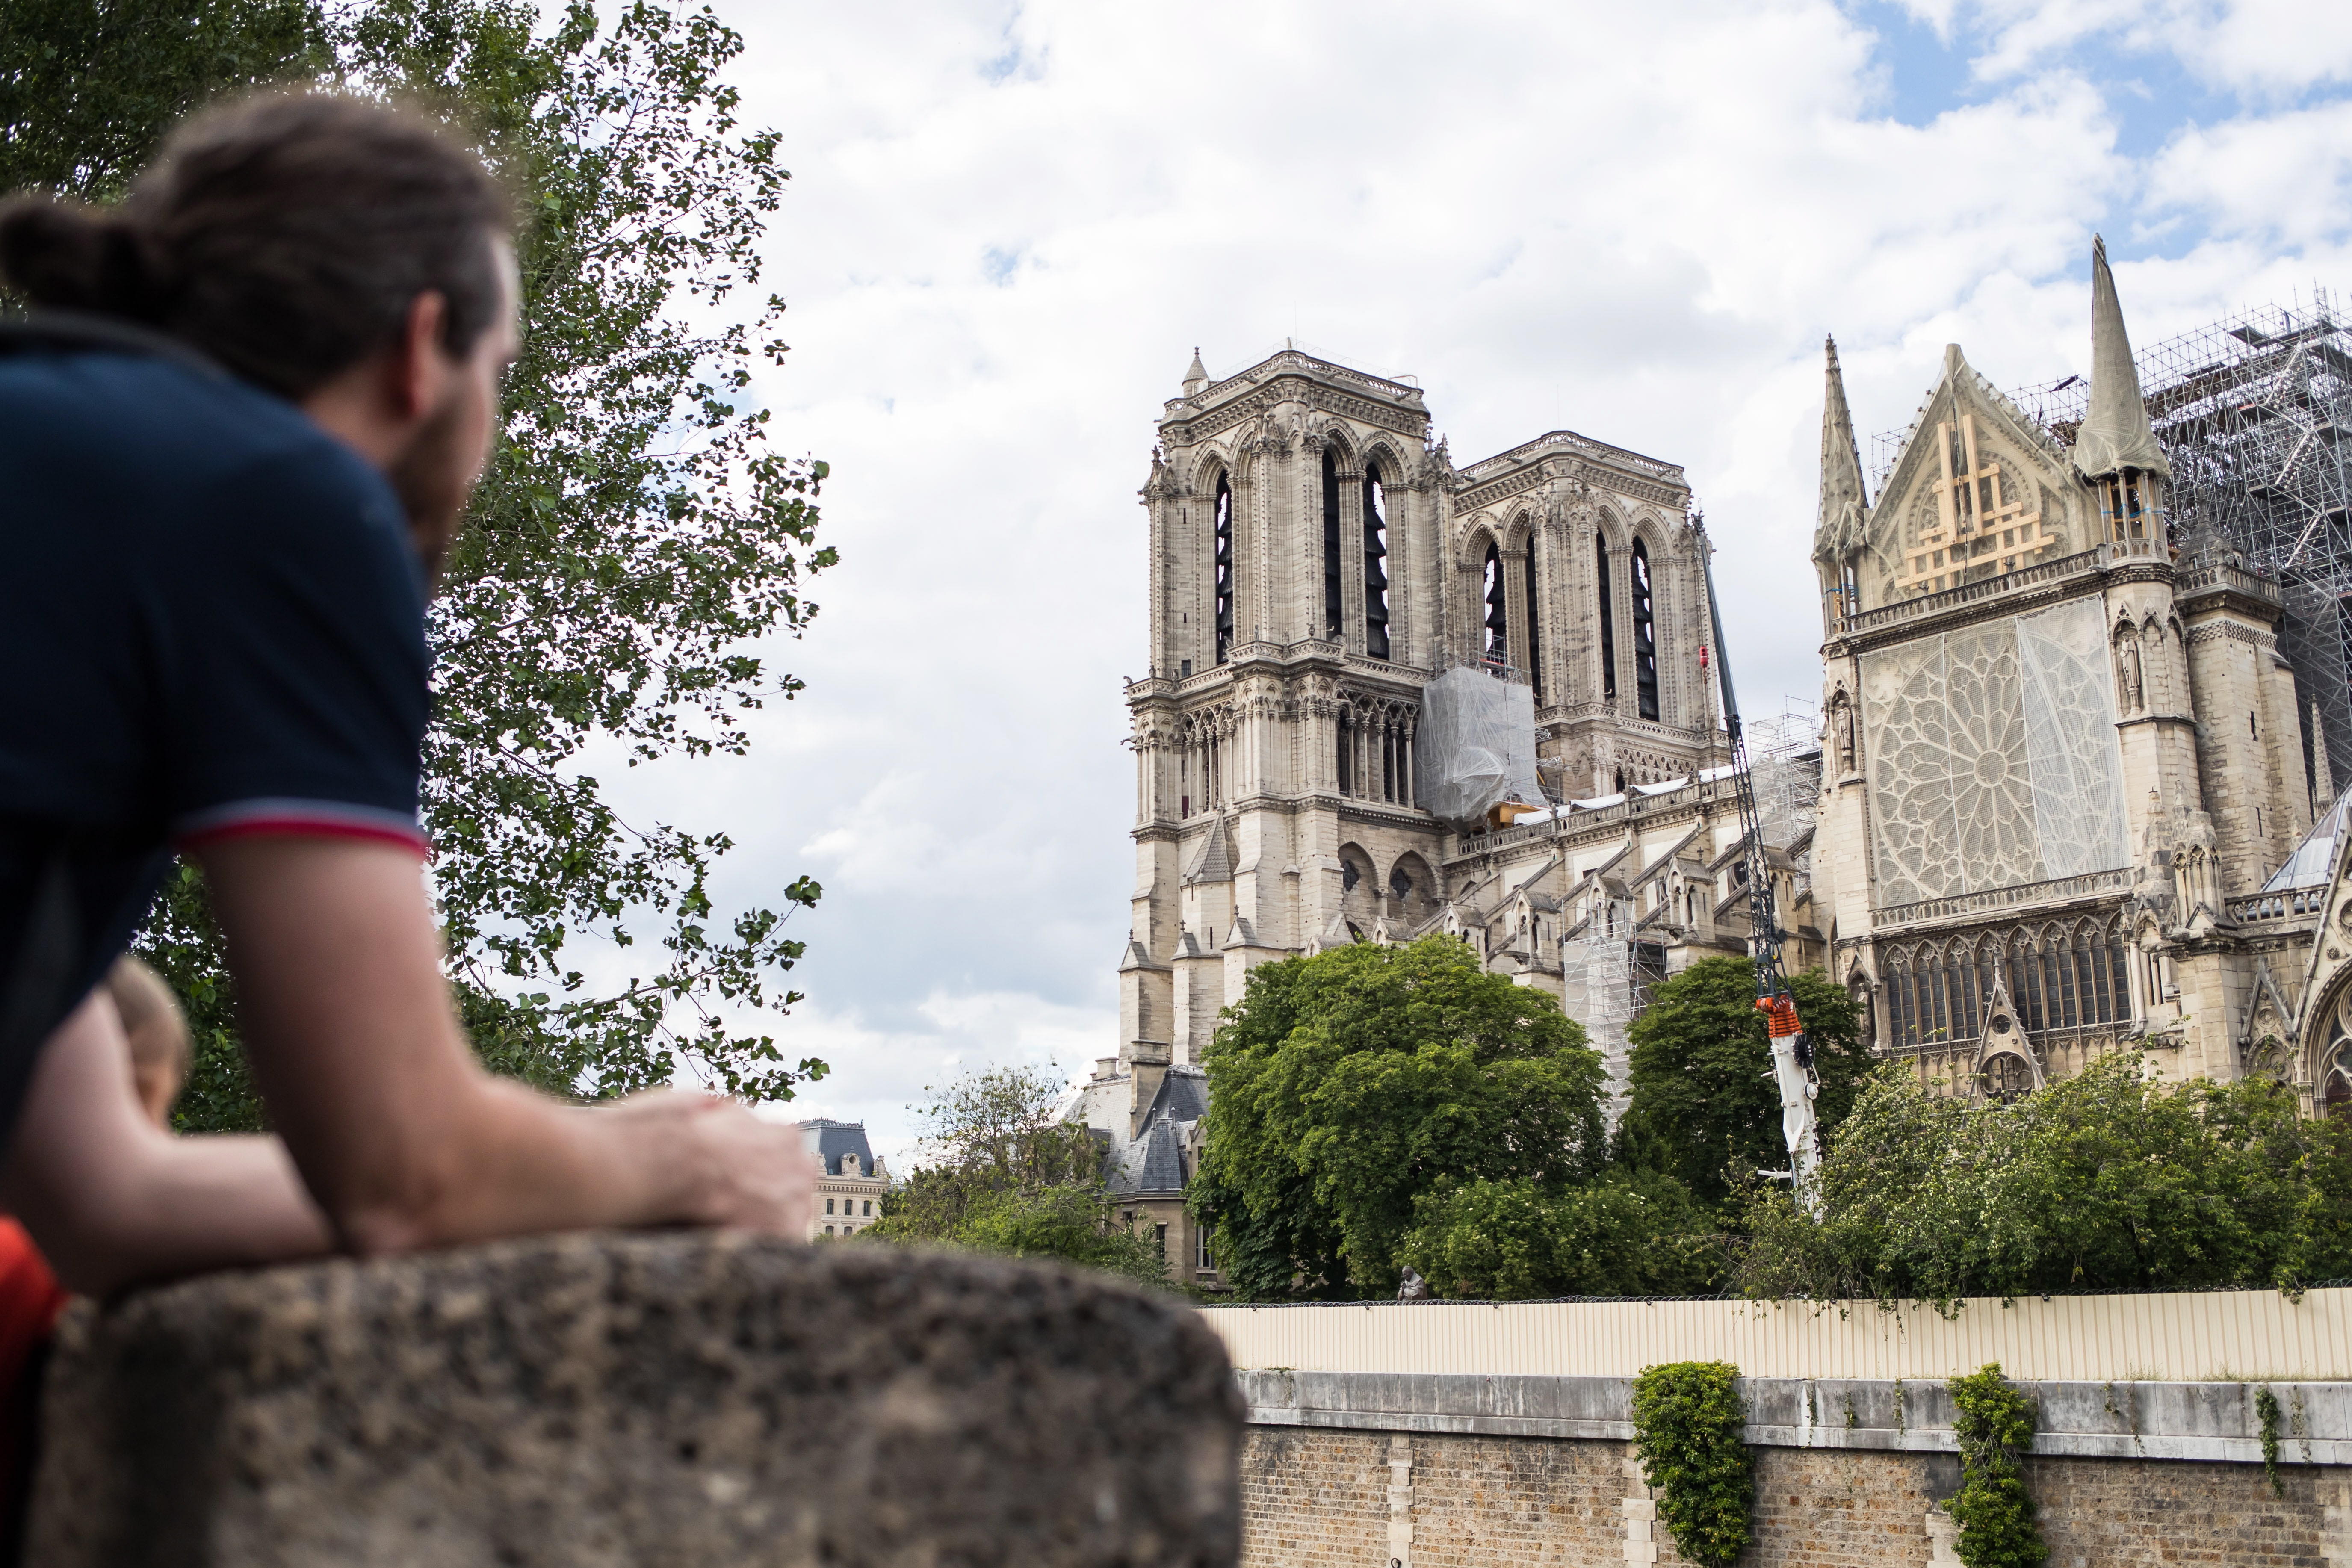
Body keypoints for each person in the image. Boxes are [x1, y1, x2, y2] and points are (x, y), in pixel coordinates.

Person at [0, 92, 814, 1299]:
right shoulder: (281, 495)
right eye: (501, 375)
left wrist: (579, 1173)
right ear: (422, 349)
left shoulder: (84, 492)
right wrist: (680, 1161)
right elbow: (406, 1174)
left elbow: (114, 1199)